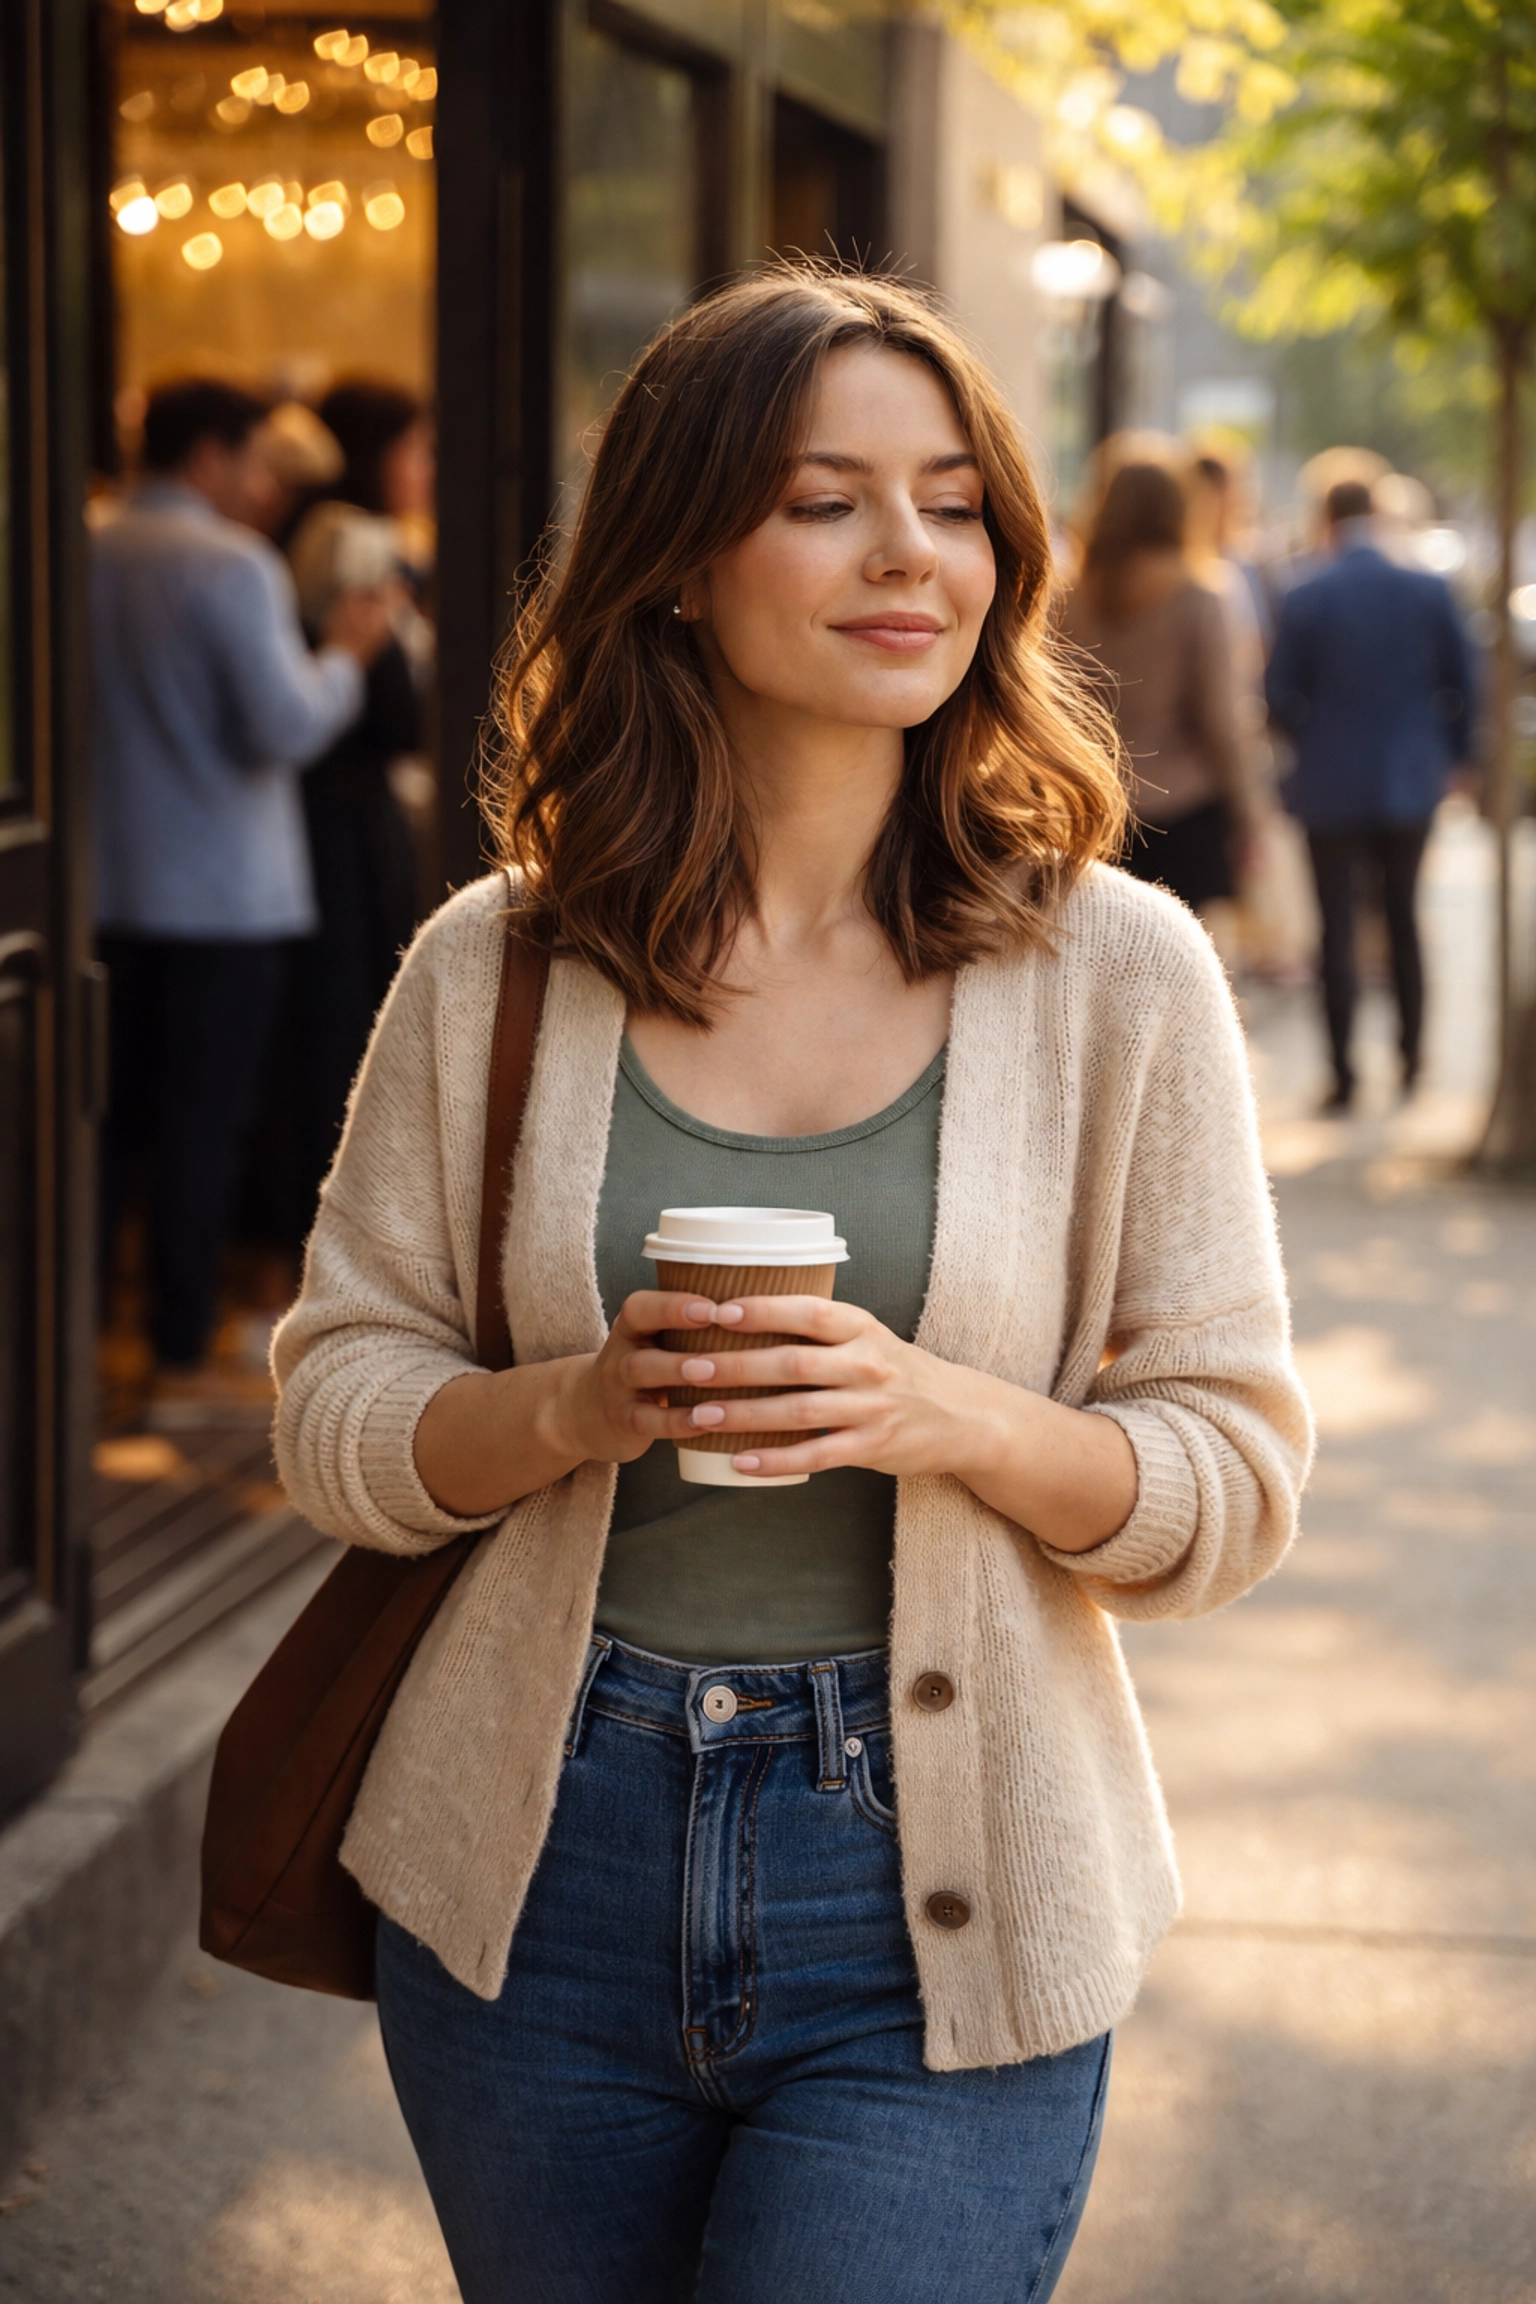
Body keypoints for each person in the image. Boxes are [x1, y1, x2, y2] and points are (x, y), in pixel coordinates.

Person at [272, 273, 1311, 2304]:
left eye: (952, 499)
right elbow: (336, 1410)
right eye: (826, 499)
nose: (911, 551)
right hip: (533, 1880)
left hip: (939, 1890)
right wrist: (570, 1405)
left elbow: (1234, 1481)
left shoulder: (1121, 979)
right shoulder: (496, 967)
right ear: (678, 565)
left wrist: (946, 1415)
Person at [91, 378, 389, 1399]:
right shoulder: (232, 565)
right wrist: (346, 658)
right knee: (202, 1125)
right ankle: (180, 1341)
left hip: (102, 886)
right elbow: (286, 725)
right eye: (256, 460)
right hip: (224, 896)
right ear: (210, 457)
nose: (265, 484)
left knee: (107, 1122)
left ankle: (85, 1333)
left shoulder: (81, 546)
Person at [262, 382, 436, 1247]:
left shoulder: (322, 538)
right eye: (415, 448)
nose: (427, 469)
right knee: (339, 1032)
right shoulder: (355, 544)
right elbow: (394, 713)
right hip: (340, 823)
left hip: (326, 817)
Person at [1265, 476, 1476, 1111]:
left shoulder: (1306, 596)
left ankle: (1343, 1074)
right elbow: (1464, 683)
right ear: (1377, 518)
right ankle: (1412, 1063)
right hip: (1412, 780)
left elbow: (1277, 697)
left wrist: (1312, 736)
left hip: (1329, 781)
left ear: (1328, 520)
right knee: (1405, 920)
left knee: (1336, 931)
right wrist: (1454, 756)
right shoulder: (1428, 589)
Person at [1061, 458, 1259, 917]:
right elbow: (1223, 722)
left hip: (1093, 812)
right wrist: (1252, 816)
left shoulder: (1065, 598)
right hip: (1189, 809)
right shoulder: (1201, 596)